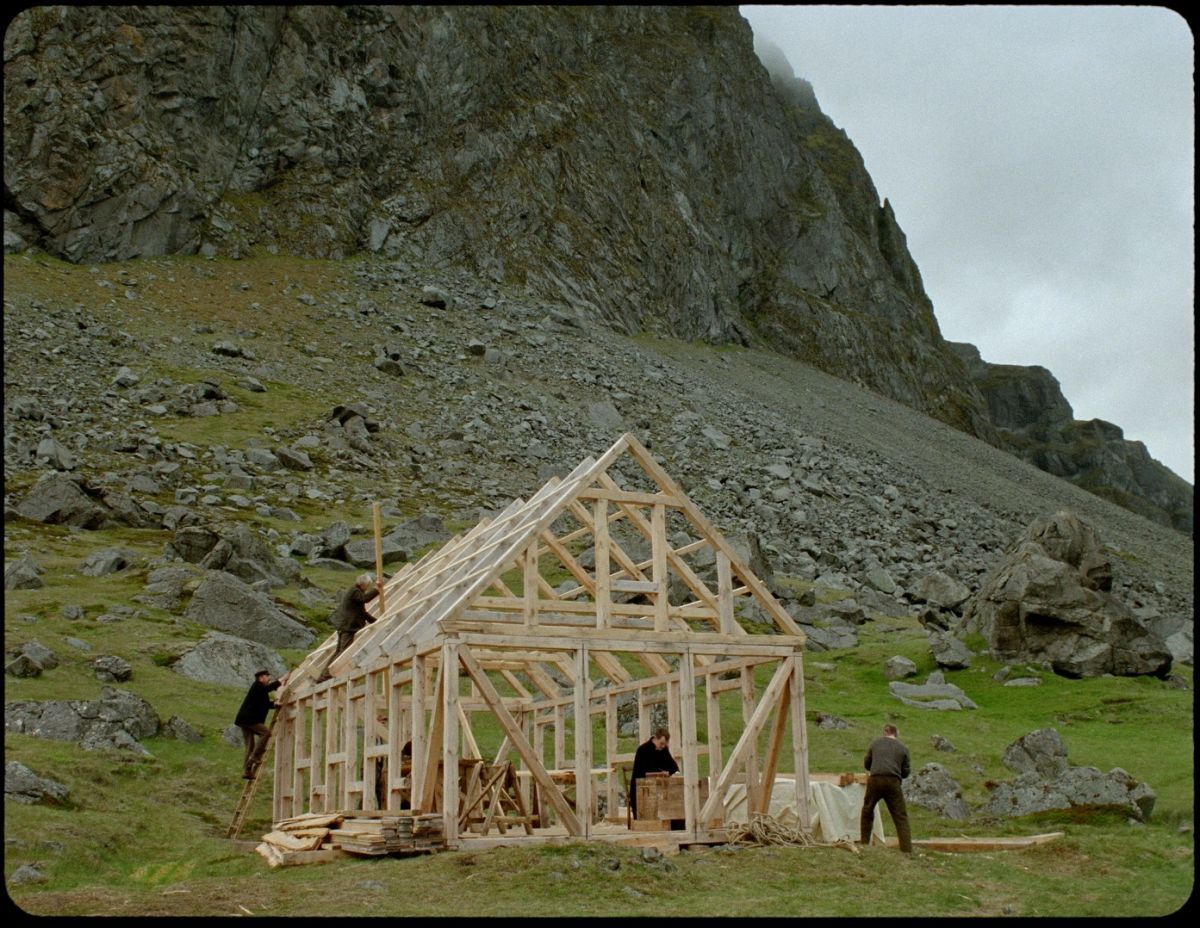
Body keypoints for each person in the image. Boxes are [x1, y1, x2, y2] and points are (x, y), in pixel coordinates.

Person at [316, 573, 383, 682]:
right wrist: (376, 589)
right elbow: (365, 599)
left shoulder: (356, 593)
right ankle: (327, 674)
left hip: (345, 626)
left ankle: (324, 675)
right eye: (367, 585)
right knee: (343, 651)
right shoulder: (355, 592)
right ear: (363, 584)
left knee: (339, 651)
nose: (367, 588)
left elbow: (362, 613)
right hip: (348, 627)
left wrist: (375, 621)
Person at [859, 722, 912, 853]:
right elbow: (905, 772)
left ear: (885, 731)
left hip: (875, 780)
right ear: (896, 733)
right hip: (893, 782)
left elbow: (867, 763)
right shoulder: (903, 748)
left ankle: (864, 844)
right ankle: (906, 849)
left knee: (867, 811)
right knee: (900, 816)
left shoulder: (875, 744)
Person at [235, 669, 288, 779]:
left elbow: (264, 704)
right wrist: (281, 680)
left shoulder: (260, 691)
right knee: (266, 733)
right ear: (261, 678)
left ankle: (247, 771)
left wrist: (275, 705)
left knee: (250, 745)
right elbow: (267, 689)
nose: (268, 679)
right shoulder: (258, 686)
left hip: (245, 720)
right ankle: (254, 757)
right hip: (249, 719)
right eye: (267, 676)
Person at [629, 727, 679, 819]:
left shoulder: (664, 750)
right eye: (661, 743)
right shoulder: (642, 750)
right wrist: (660, 772)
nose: (663, 746)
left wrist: (669, 772)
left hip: (659, 789)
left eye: (665, 744)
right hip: (642, 788)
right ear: (655, 738)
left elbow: (674, 767)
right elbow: (642, 771)